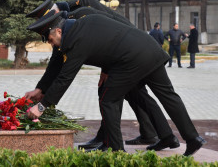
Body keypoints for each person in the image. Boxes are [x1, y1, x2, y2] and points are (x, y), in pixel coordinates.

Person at [26, 11, 206, 156]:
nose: (52, 45)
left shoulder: (76, 39)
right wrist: (41, 89)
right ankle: (193, 138)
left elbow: (65, 77)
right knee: (169, 96)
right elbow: (110, 41)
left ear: (58, 31)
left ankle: (116, 149)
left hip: (131, 60)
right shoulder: (85, 22)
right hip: (150, 49)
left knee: (108, 99)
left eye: (50, 40)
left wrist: (41, 107)